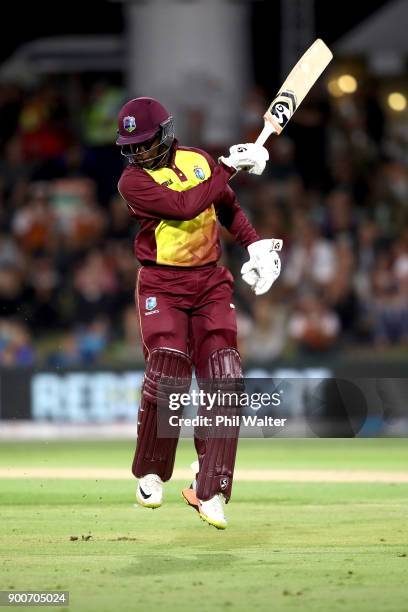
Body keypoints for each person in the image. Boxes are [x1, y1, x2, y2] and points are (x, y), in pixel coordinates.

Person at [116, 97, 281, 529]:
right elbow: (183, 206)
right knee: (169, 369)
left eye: (146, 143)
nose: (138, 153)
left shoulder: (200, 161)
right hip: (162, 284)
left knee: (226, 377)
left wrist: (254, 243)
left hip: (210, 283)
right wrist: (229, 164)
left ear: (166, 134)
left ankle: (210, 488)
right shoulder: (132, 183)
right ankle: (151, 469)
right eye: (131, 146)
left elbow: (224, 205)